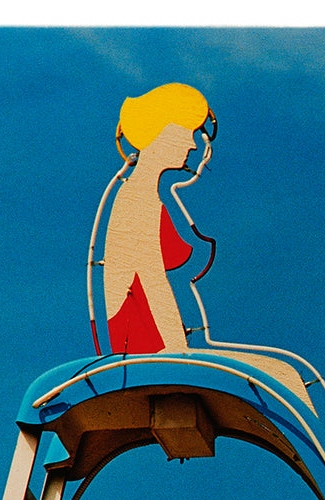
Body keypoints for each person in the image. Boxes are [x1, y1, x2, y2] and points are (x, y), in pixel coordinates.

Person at [96, 83, 313, 411]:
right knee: (284, 376)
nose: (193, 145)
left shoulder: (150, 197)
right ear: (163, 132)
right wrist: (178, 353)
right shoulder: (135, 199)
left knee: (287, 375)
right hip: (154, 351)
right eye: (188, 133)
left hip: (166, 348)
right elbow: (152, 283)